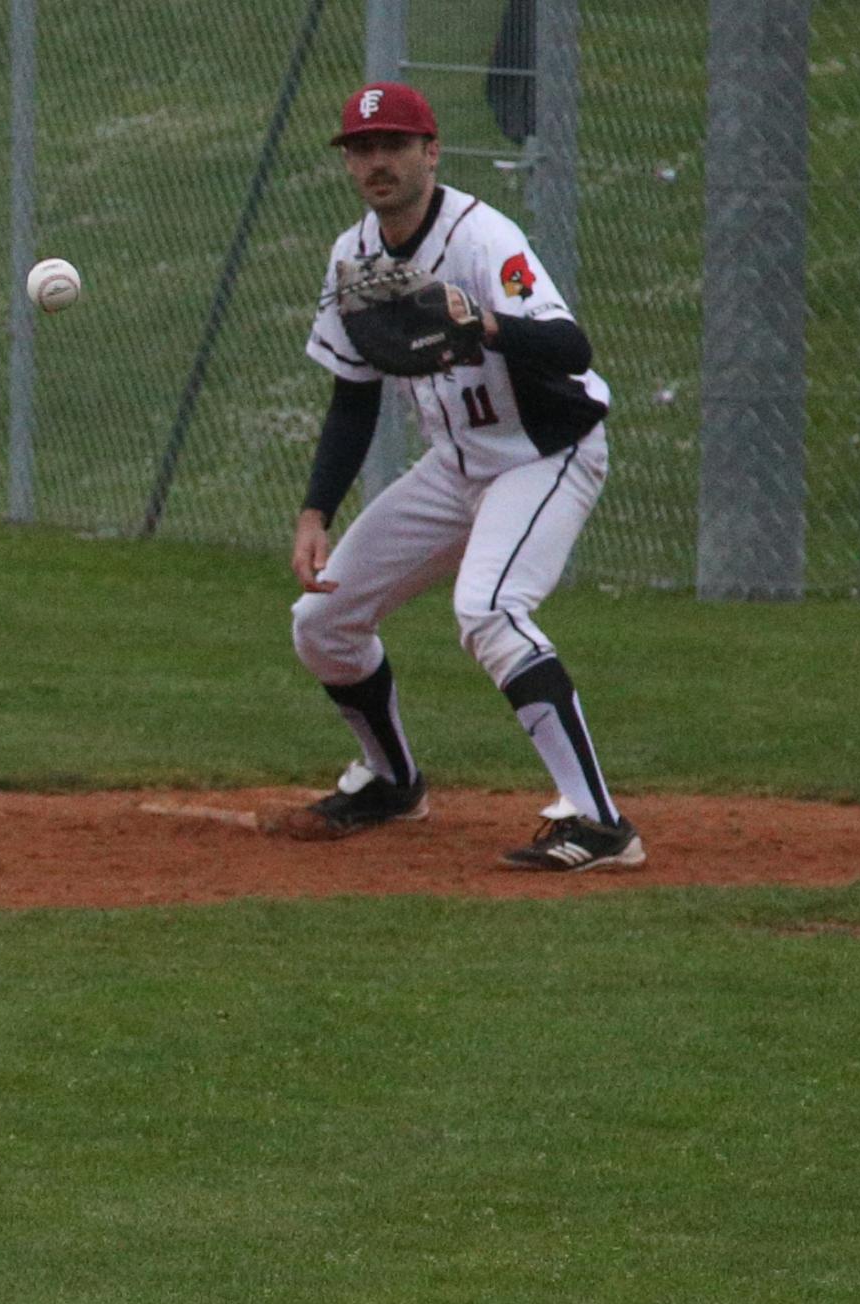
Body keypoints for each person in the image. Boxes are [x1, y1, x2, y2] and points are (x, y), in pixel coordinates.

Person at [279, 83, 641, 872]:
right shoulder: (352, 258)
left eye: (393, 145)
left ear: (432, 152)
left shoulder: (483, 238)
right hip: (458, 464)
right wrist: (315, 513)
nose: (376, 161)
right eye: (361, 149)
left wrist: (484, 324)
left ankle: (601, 824)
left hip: (545, 453)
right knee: (323, 620)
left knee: (489, 609)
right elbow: (352, 398)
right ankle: (392, 782)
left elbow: (571, 348)